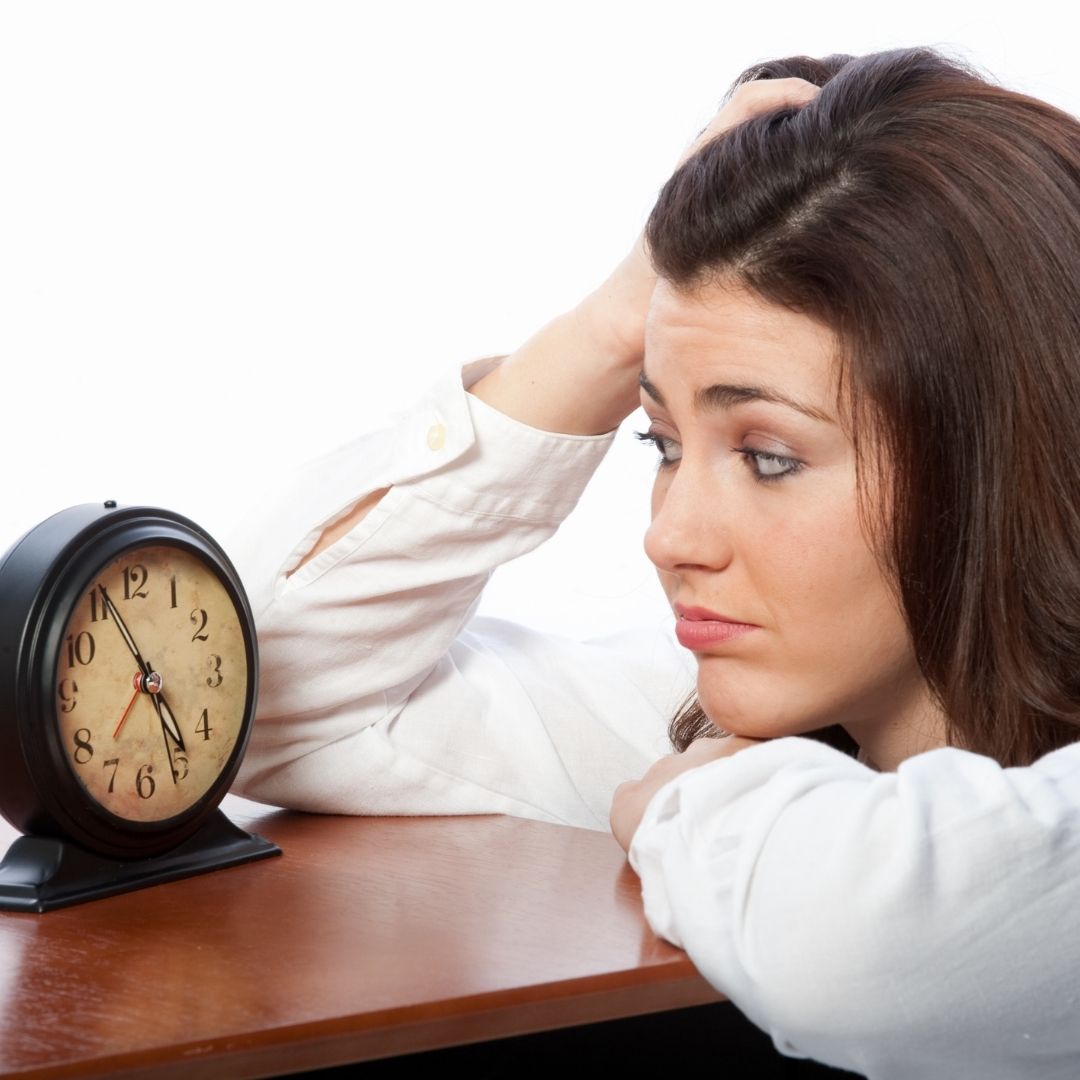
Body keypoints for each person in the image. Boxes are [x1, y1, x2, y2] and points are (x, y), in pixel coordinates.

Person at [230, 46, 1080, 1079]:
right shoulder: (729, 729)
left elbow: (854, 949)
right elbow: (267, 697)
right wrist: (613, 324)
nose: (671, 536)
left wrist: (681, 804)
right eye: (663, 444)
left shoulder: (715, 788)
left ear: (1000, 455)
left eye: (768, 457)